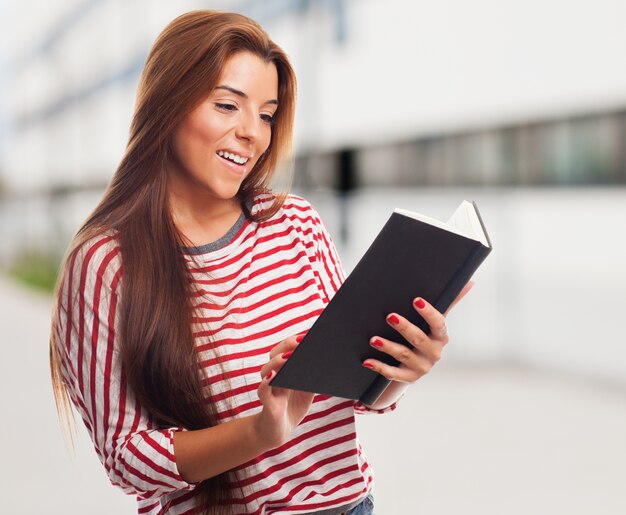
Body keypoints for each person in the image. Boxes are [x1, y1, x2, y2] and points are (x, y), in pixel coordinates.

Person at [50, 10, 472, 515]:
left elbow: (360, 394)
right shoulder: (105, 263)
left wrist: (403, 368)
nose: (252, 132)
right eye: (228, 105)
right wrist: (259, 432)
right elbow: (127, 460)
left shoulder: (295, 223)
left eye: (267, 114)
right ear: (167, 105)